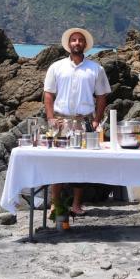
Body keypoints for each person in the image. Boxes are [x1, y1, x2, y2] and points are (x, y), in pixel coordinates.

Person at [43, 27, 111, 216]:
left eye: (80, 40)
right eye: (73, 40)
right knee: (57, 162)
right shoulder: (56, 67)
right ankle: (55, 203)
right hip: (60, 122)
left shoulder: (96, 69)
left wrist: (96, 120)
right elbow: (48, 94)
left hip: (84, 122)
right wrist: (50, 118)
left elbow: (102, 97)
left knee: (81, 164)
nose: (77, 43)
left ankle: (76, 204)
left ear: (85, 45)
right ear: (68, 44)